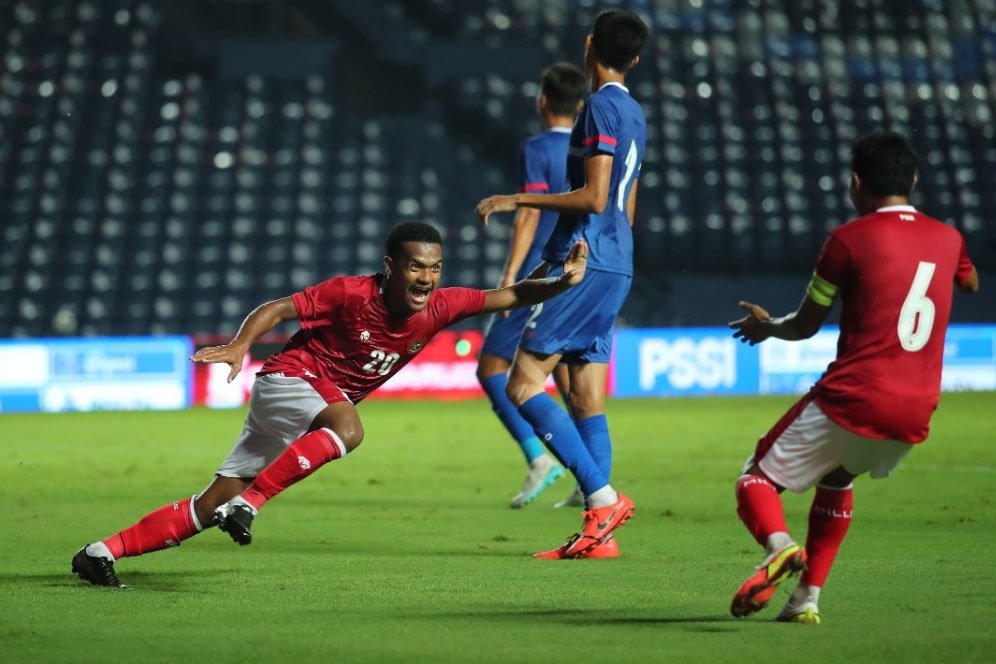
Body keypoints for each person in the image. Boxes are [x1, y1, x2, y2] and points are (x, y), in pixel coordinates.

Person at [71, 221, 589, 588]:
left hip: (301, 404)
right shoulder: (349, 292)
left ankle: (101, 553)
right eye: (415, 267)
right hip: (288, 380)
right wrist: (238, 345)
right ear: (391, 267)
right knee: (349, 428)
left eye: (434, 268)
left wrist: (561, 282)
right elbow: (278, 308)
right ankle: (250, 506)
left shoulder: (442, 305)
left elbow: (509, 296)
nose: (426, 279)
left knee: (207, 508)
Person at [727, 130, 979, 623]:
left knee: (754, 479)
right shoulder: (949, 239)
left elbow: (805, 325)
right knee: (838, 477)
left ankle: (778, 548)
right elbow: (969, 281)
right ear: (913, 179)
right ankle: (805, 599)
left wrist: (766, 328)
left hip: (856, 394)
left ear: (855, 183)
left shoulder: (847, 241)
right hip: (918, 405)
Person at [475, 8, 648, 559]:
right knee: (584, 397)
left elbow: (594, 198)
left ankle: (601, 500)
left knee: (521, 384)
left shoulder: (598, 106)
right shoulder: (636, 112)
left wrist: (518, 198)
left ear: (589, 44)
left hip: (584, 260)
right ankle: (602, 537)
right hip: (615, 259)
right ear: (636, 58)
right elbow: (626, 204)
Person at [476, 62, 587, 510]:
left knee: (491, 371)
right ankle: (588, 477)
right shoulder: (588, 150)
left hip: (539, 273)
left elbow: (528, 211)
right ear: (580, 106)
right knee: (565, 380)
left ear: (543, 100)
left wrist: (509, 278)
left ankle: (538, 457)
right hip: (579, 269)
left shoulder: (536, 148)